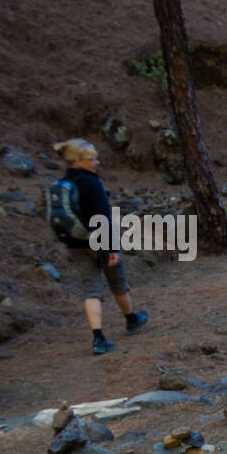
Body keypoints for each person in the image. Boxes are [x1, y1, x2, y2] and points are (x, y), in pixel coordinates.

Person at [52, 139, 148, 354]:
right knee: (118, 283)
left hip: (75, 244)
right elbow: (103, 216)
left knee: (91, 291)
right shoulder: (91, 183)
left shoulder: (63, 185)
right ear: (78, 160)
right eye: (92, 158)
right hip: (100, 241)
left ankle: (98, 338)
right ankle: (132, 321)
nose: (96, 162)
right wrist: (112, 248)